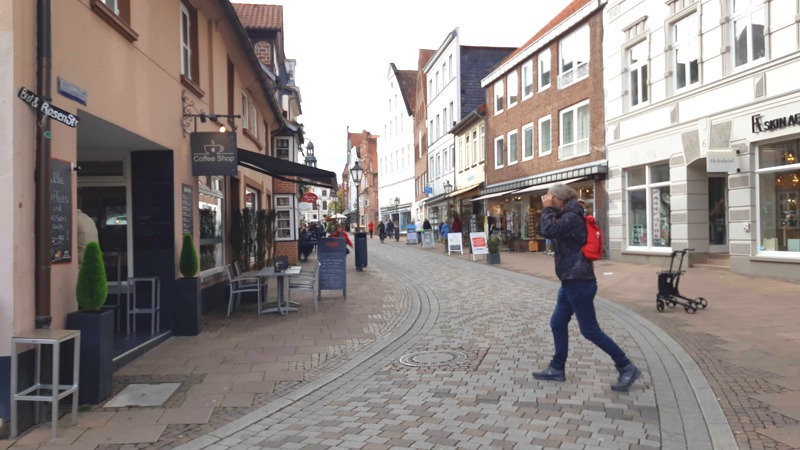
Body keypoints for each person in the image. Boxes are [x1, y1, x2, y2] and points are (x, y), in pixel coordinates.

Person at [534, 183, 641, 392]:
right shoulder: (570, 214)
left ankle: (626, 366)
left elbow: (547, 231)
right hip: (571, 280)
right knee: (557, 323)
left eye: (549, 196)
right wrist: (549, 208)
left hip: (579, 281)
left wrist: (546, 209)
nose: (545, 198)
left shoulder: (572, 217)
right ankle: (557, 367)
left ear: (559, 199)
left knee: (590, 330)